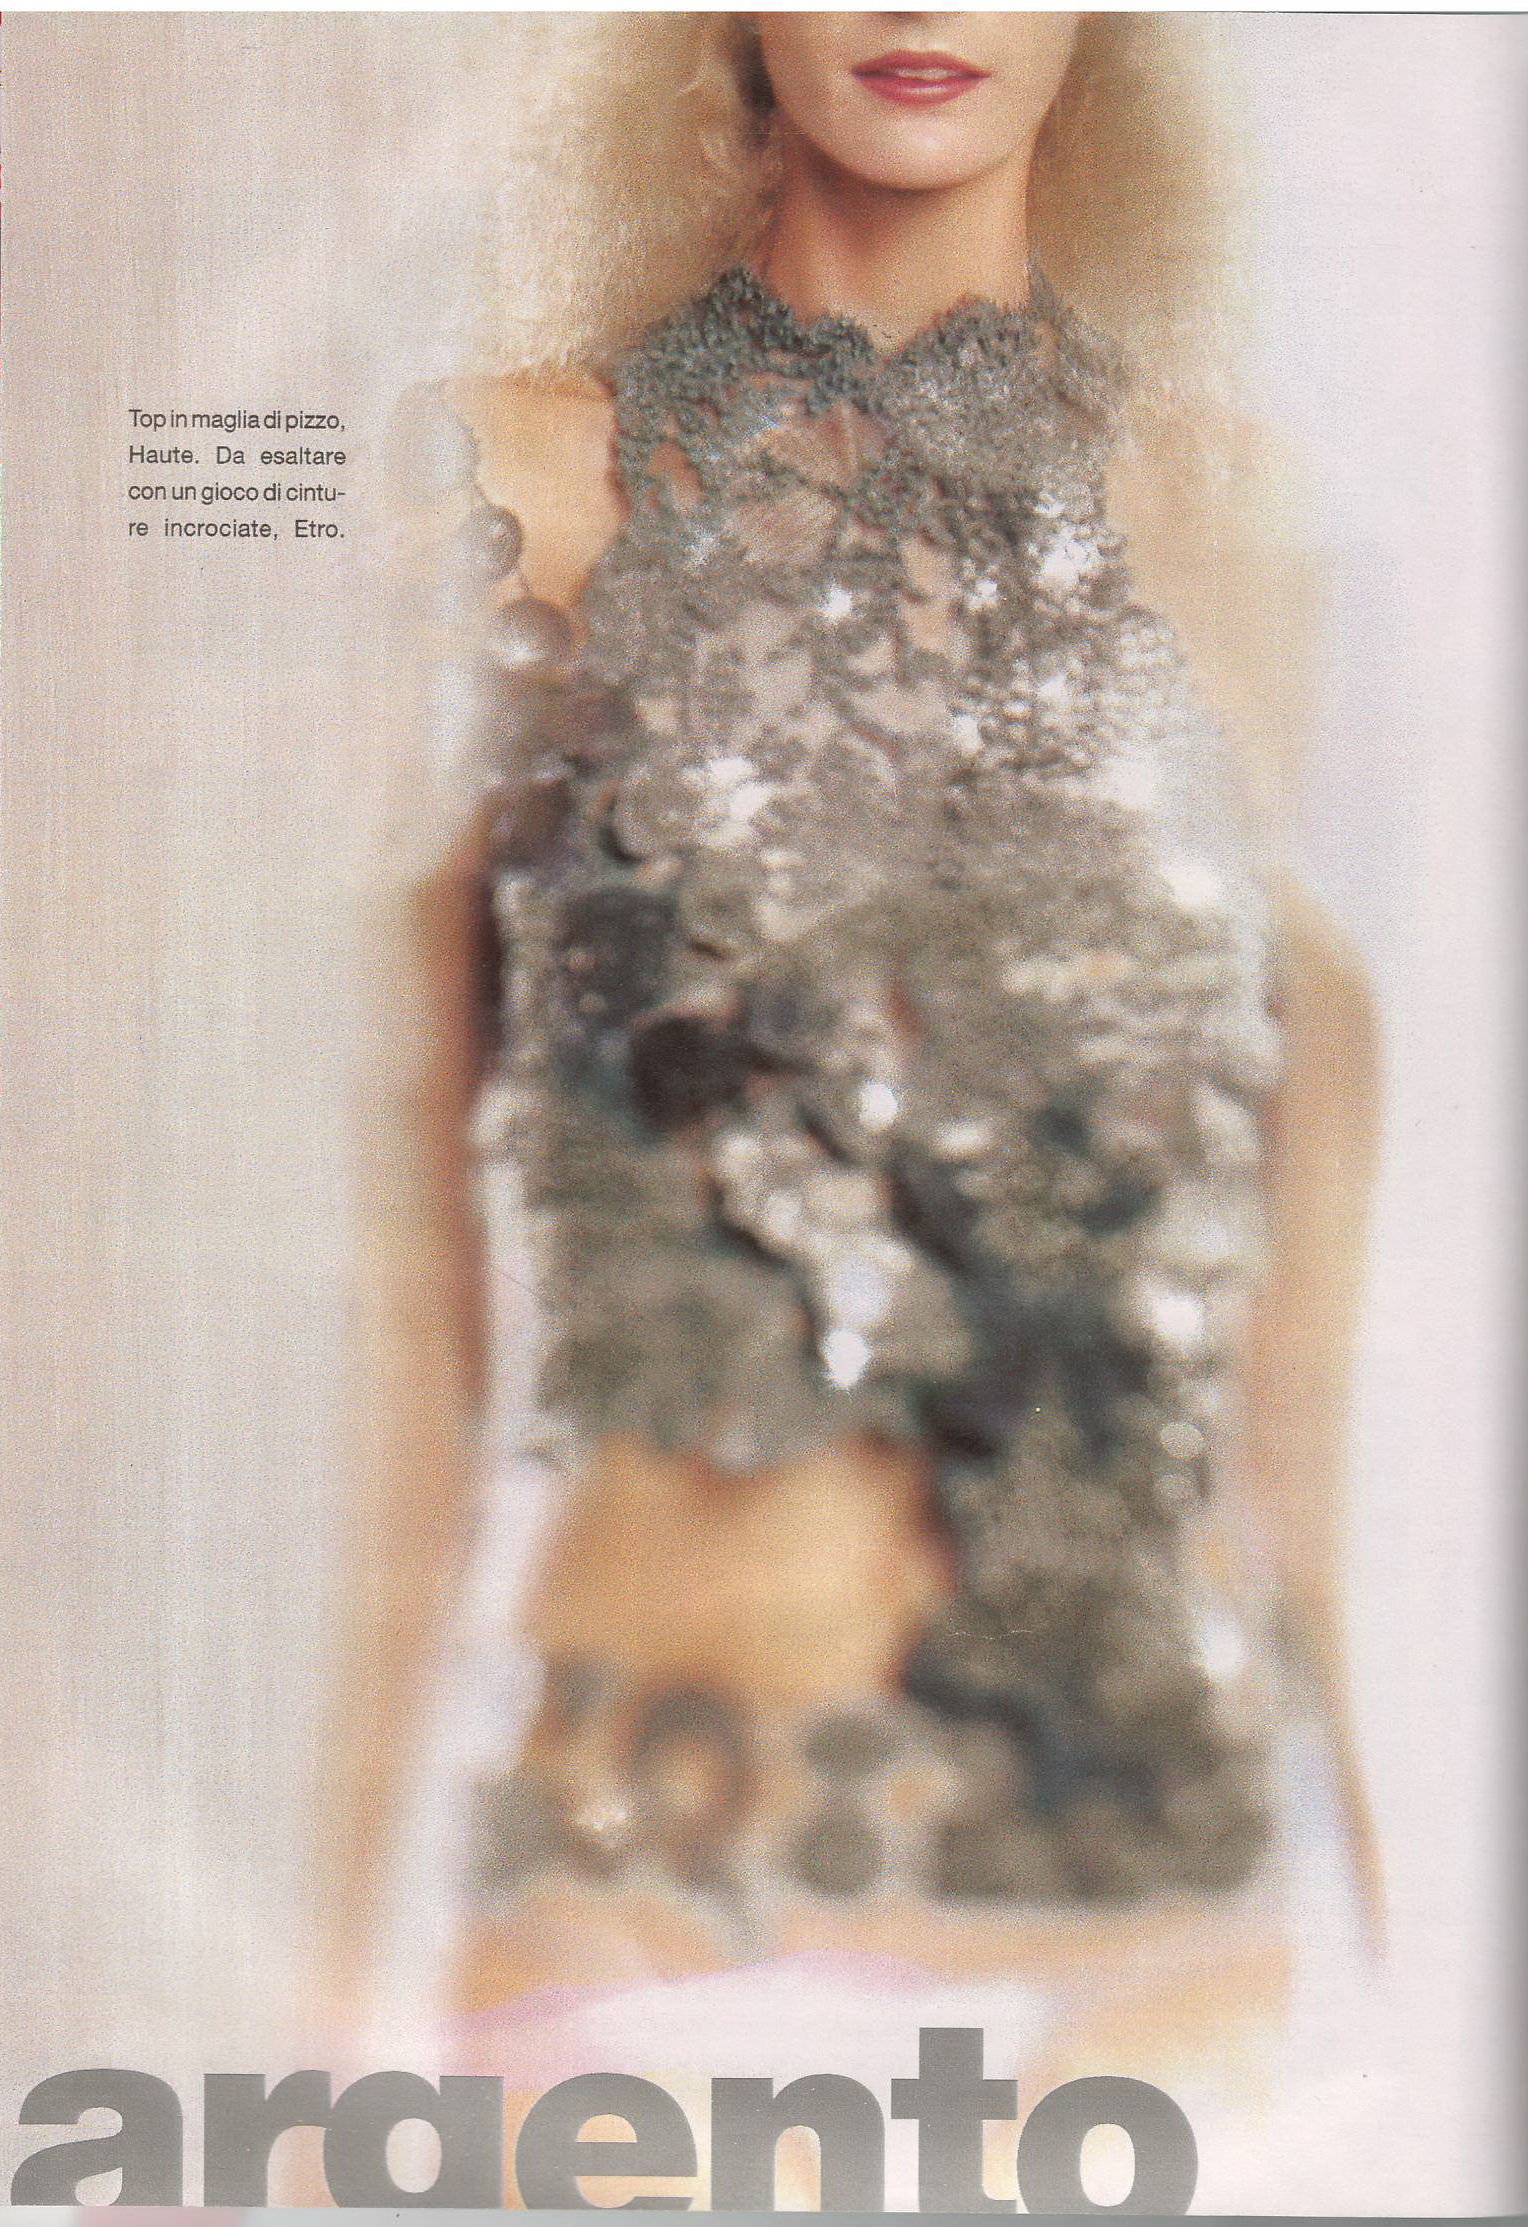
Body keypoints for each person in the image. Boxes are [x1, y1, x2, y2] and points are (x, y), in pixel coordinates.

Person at [335, 10, 1381, 2138]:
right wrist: (301, 1982)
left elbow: (1296, 1355)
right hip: (651, 1916)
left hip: (1172, 1948)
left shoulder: (1243, 518)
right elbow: (392, 1348)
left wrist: (1415, 1937)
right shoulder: (502, 486)